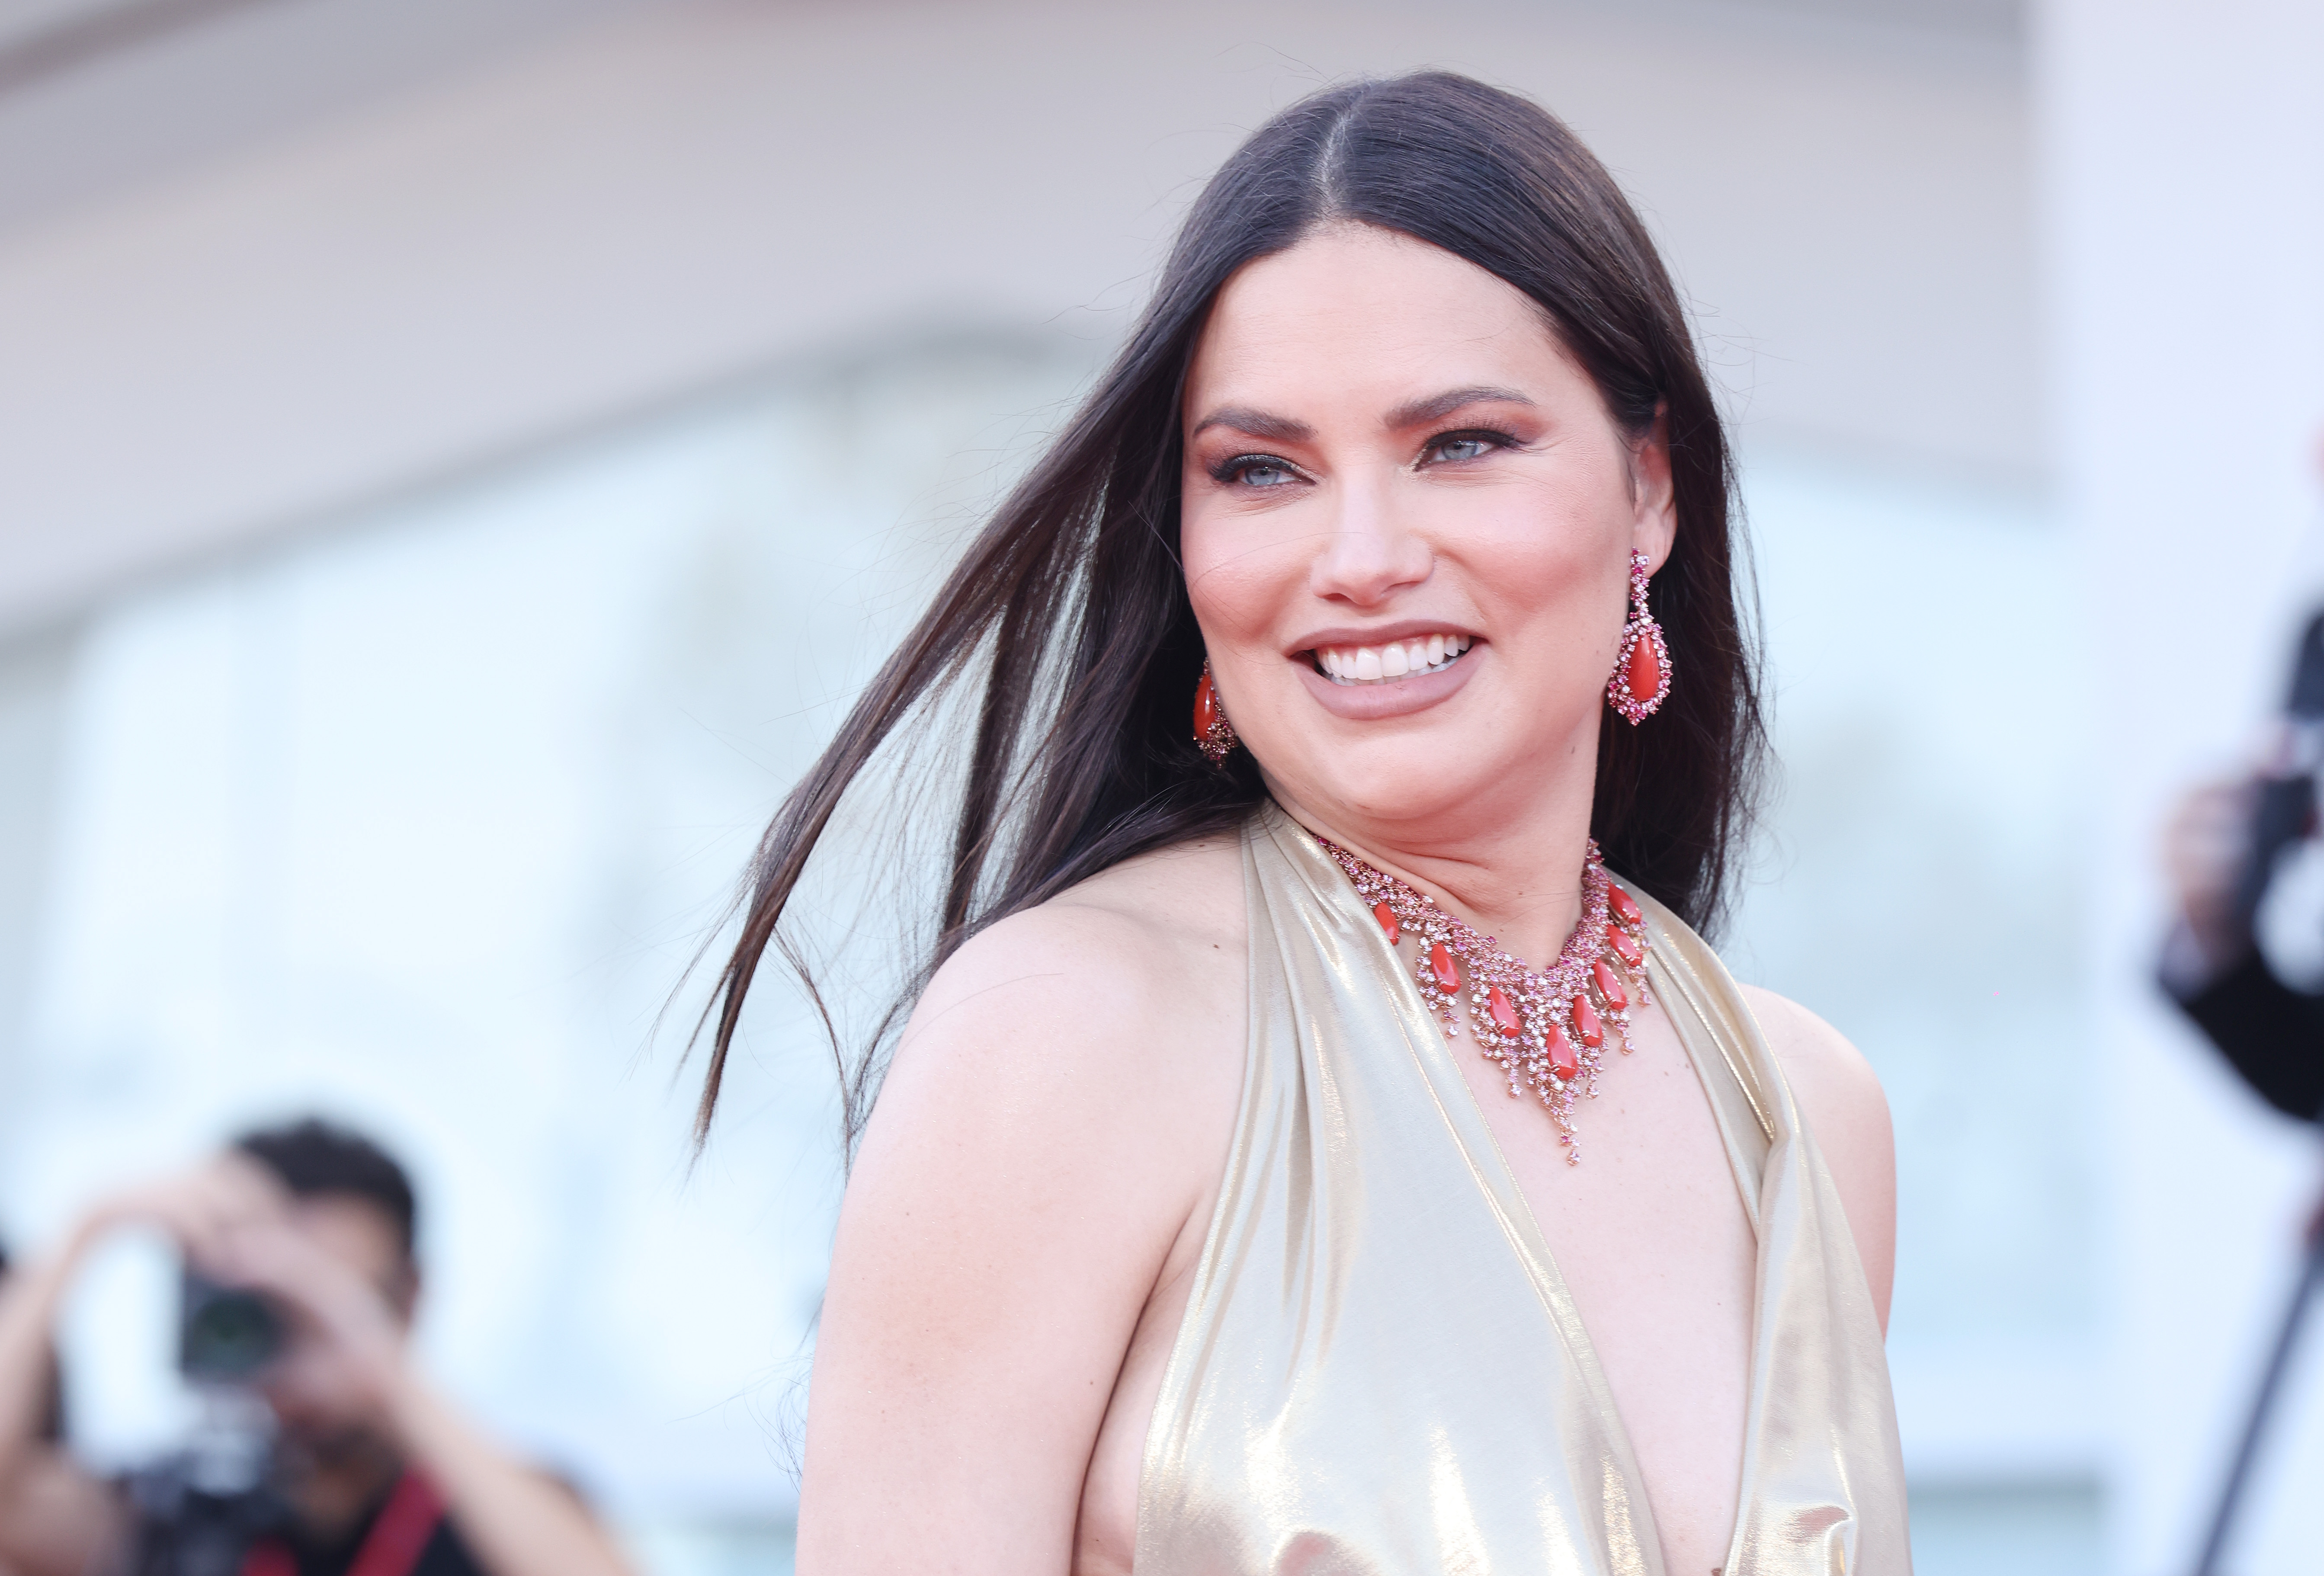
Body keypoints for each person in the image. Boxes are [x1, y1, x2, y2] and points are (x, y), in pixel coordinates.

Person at [702, 73, 1906, 1574]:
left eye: (1459, 443)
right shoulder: (1066, 1031)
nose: (1357, 558)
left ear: (1647, 487)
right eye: (1261, 469)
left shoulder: (1805, 1114)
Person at [0, 1120, 635, 1576]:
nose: (307, 1336)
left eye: (332, 1299)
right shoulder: (170, 1513)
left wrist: (379, 1365)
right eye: (276, 1305)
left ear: (411, 1296)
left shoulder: (490, 1505)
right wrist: (85, 1234)